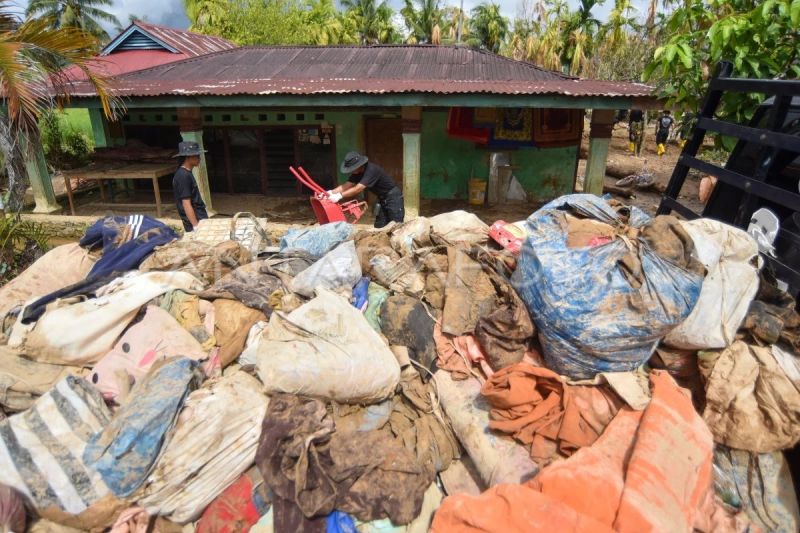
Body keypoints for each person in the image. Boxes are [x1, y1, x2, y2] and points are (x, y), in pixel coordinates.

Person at [328, 151, 405, 228]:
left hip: (393, 196)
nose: (351, 171)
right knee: (380, 224)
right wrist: (330, 192)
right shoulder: (356, 173)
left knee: (396, 223)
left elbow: (358, 188)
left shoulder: (371, 170)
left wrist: (340, 195)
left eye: (352, 169)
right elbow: (346, 186)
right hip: (381, 197)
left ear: (358, 166)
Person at [172, 141, 209, 232]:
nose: (199, 158)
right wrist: (195, 226)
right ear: (188, 157)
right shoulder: (183, 176)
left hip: (199, 216)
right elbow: (186, 203)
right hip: (195, 220)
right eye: (197, 155)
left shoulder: (186, 173)